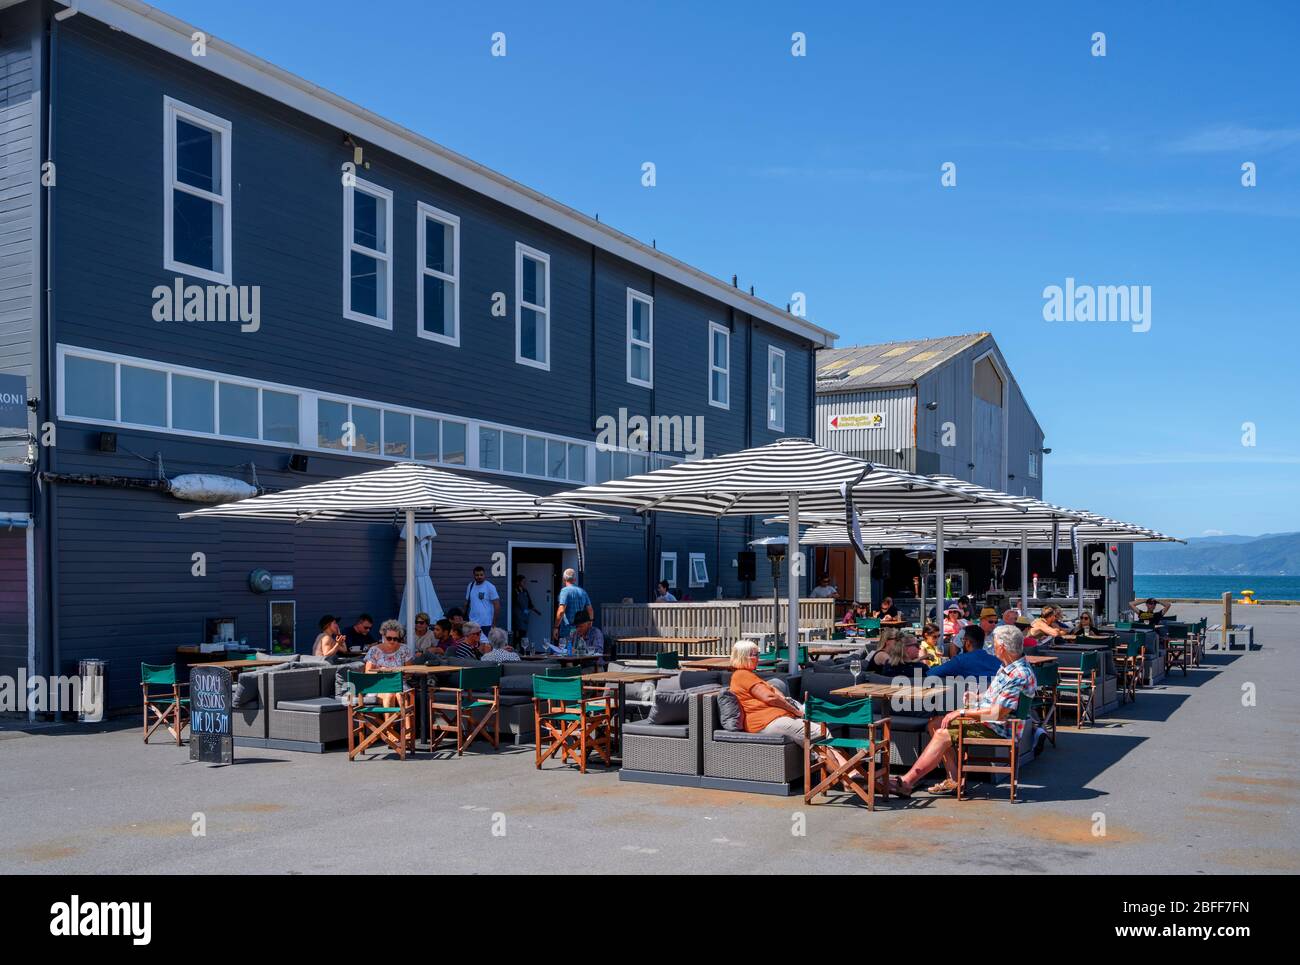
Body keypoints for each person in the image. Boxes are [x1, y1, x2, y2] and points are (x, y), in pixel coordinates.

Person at [890, 624, 1037, 796]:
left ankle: (907, 782)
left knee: (942, 732)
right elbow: (996, 699)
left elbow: (997, 713)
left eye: (995, 644)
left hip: (999, 726)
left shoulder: (1018, 674)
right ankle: (954, 779)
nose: (992, 647)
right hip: (993, 721)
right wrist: (977, 697)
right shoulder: (1007, 667)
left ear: (1003, 647)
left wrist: (961, 712)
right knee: (935, 723)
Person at [728, 641, 828, 746]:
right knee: (821, 732)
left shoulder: (746, 675)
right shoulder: (742, 675)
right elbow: (770, 698)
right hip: (766, 722)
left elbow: (772, 693)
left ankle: (832, 761)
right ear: (743, 657)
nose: (758, 658)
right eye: (755, 655)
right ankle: (840, 762)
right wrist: (796, 711)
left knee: (820, 731)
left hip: (772, 720)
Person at [362, 620, 413, 707]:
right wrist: (382, 671)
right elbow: (368, 673)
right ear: (383, 636)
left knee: (403, 697)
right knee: (389, 696)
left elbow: (410, 672)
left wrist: (402, 674)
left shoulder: (404, 649)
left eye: (396, 639)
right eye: (389, 638)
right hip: (379, 684)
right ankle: (390, 721)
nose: (392, 641)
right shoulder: (374, 650)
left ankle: (405, 720)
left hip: (399, 684)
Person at [925, 623, 1001, 680]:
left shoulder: (960, 661)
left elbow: (931, 673)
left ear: (967, 643)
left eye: (962, 640)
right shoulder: (997, 661)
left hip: (968, 699)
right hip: (992, 699)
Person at [553, 568, 593, 649]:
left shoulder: (565, 591)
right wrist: (589, 624)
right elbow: (590, 610)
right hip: (580, 630)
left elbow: (561, 611)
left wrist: (556, 627)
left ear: (564, 579)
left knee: (566, 656)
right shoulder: (583, 591)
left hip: (567, 630)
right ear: (575, 579)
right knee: (577, 655)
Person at [464, 567, 501, 632]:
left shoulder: (490, 587)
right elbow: (466, 603)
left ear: (484, 575)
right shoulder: (470, 585)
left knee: (486, 642)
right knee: (473, 642)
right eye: (477, 575)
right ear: (474, 576)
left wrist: (494, 623)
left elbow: (497, 605)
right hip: (472, 623)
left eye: (481, 575)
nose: (479, 577)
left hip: (486, 624)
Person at [511, 575, 540, 648]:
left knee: (523, 635)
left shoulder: (525, 591)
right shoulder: (514, 591)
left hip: (525, 617)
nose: (524, 583)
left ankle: (522, 650)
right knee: (518, 635)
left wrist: (536, 611)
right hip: (517, 617)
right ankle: (516, 649)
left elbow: (530, 603)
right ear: (518, 582)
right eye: (523, 582)